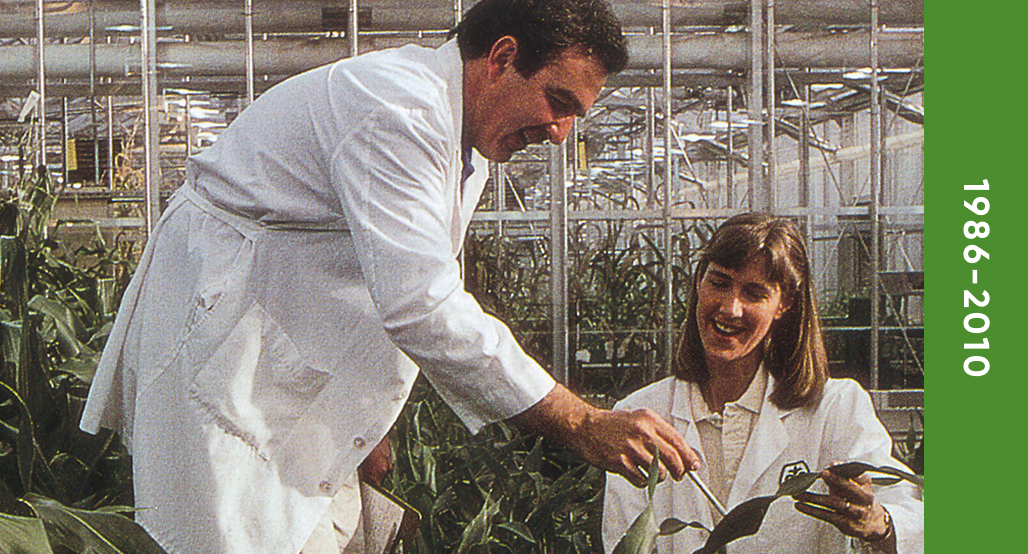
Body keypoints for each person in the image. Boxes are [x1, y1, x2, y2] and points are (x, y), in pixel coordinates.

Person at [80, 1, 700, 553]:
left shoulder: (462, 135)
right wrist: (579, 422)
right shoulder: (397, 110)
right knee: (232, 530)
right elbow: (421, 305)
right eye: (558, 103)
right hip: (226, 345)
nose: (561, 133)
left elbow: (383, 277)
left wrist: (365, 426)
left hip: (275, 347)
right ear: (501, 58)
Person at [603, 213, 923, 554]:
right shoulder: (641, 416)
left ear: (784, 304)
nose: (731, 308)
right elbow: (624, 542)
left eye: (754, 294)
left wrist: (879, 524)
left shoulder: (835, 409)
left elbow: (918, 519)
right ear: (698, 282)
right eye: (719, 283)